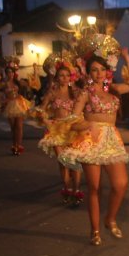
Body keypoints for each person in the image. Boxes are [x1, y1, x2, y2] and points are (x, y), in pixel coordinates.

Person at [59, 53, 129, 246]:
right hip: (91, 140)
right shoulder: (86, 93)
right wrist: (85, 125)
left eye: (102, 69)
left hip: (111, 140)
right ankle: (95, 230)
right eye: (94, 69)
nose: (99, 73)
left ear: (108, 71)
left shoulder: (114, 90)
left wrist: (127, 57)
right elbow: (72, 119)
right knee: (95, 188)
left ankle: (110, 219)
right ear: (88, 73)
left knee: (121, 184)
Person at [36, 63, 83, 206]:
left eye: (67, 75)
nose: (65, 78)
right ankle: (66, 187)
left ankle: (76, 190)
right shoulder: (52, 93)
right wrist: (45, 119)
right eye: (62, 75)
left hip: (73, 128)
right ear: (57, 78)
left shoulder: (75, 92)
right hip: (56, 130)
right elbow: (41, 109)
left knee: (74, 161)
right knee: (63, 161)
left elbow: (83, 105)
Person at [0, 60, 32, 155]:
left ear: (14, 73)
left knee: (19, 126)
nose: (10, 74)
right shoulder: (3, 83)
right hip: (9, 105)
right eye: (8, 72)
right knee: (13, 127)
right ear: (6, 73)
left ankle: (19, 146)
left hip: (19, 104)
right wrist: (2, 99)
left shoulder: (18, 82)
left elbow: (30, 85)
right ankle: (14, 144)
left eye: (11, 72)